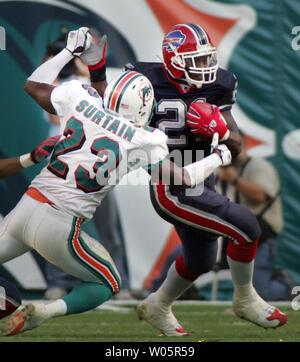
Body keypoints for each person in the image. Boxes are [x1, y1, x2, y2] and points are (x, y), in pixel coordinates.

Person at [1, 27, 231, 336]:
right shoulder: (144, 139)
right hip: (59, 224)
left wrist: (70, 52)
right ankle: (45, 312)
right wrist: (220, 155)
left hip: (26, 206)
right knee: (108, 283)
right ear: (144, 106)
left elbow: (34, 85)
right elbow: (185, 177)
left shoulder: (81, 99)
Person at [120, 23, 288, 335]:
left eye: (206, 59)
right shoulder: (144, 79)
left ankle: (158, 305)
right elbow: (125, 128)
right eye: (196, 60)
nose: (205, 67)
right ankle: (246, 298)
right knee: (246, 225)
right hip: (169, 183)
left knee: (200, 259)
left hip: (203, 179)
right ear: (173, 60)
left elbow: (236, 144)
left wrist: (221, 130)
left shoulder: (220, 85)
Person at [216, 132, 293, 301]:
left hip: (260, 236)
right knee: (185, 254)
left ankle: (287, 289)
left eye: (235, 148)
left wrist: (233, 180)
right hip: (230, 233)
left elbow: (260, 196)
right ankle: (158, 290)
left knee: (261, 293)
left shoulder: (258, 166)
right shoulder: (217, 170)